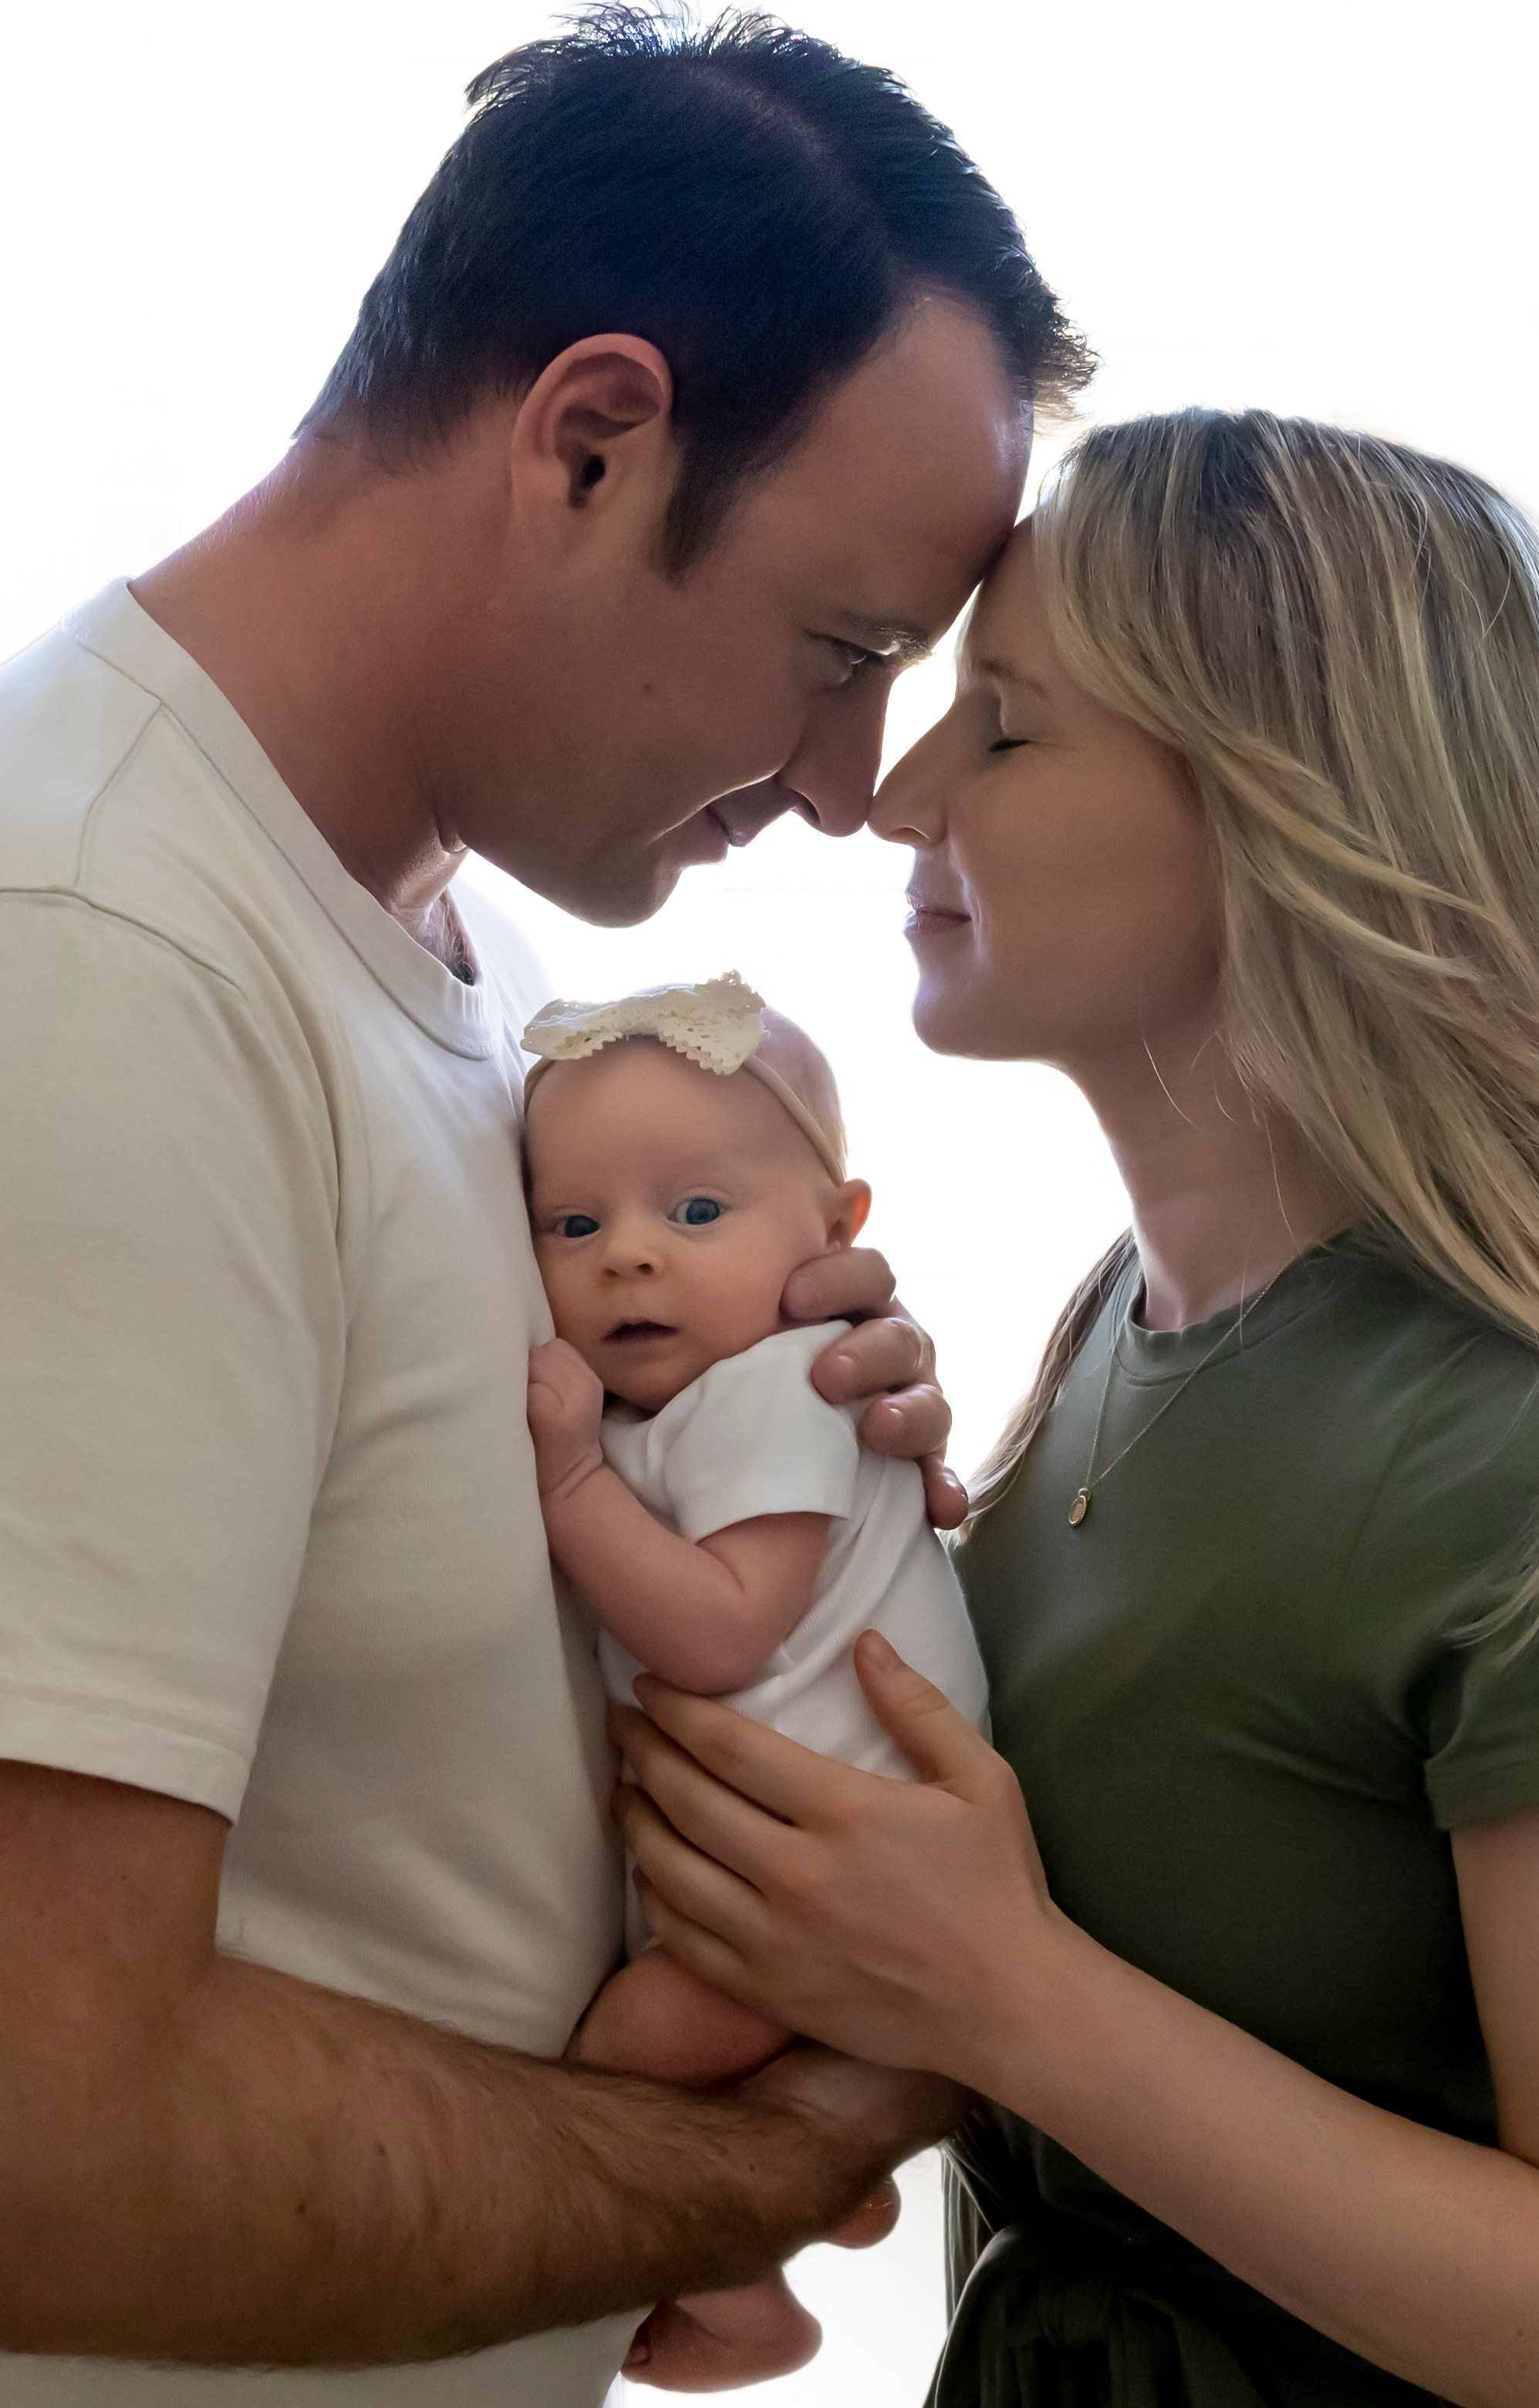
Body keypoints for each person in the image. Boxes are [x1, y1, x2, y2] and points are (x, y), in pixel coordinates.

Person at [0, 4, 1090, 2405]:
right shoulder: (74, 960)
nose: (854, 784)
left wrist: (788, 1443)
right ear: (588, 436)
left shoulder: (495, 980)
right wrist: (802, 2136)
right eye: (843, 651)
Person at [608, 410, 1539, 2406]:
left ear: (1288, 808)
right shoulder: (1102, 1333)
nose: (896, 794)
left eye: (1006, 726)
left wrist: (1007, 1999)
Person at [523, 976, 989, 2388]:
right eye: (575, 1224)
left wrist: (565, 1480)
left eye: (698, 1213)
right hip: (791, 1867)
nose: (631, 1261)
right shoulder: (679, 1407)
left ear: (839, 1232)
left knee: (629, 2052)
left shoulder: (782, 1386)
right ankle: (806, 2198)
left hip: (848, 1879)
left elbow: (720, 1632)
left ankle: (741, 2296)